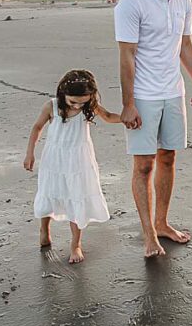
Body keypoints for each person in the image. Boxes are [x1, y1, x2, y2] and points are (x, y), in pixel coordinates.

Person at [115, 0, 192, 257]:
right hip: (143, 95)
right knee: (144, 165)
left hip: (174, 92)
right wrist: (128, 104)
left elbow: (185, 45)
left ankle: (162, 223)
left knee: (168, 157)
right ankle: (148, 236)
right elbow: (126, 55)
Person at [23, 69, 120, 263]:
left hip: (79, 160)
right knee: (49, 193)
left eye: (82, 102)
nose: (77, 106)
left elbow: (108, 116)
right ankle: (44, 229)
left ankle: (75, 244)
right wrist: (30, 153)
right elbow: (37, 127)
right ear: (62, 94)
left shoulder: (88, 107)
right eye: (73, 102)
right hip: (55, 159)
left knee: (77, 197)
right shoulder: (51, 106)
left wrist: (126, 118)